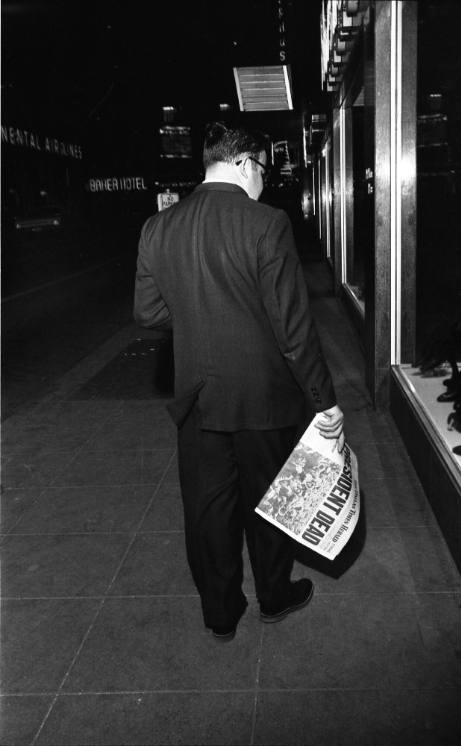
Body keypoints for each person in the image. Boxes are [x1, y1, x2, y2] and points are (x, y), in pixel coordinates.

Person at [134, 121, 344, 641]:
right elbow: (293, 329)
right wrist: (324, 402)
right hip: (264, 398)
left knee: (208, 510)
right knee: (273, 501)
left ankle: (221, 612)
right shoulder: (266, 223)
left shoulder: (157, 228)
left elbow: (147, 312)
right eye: (263, 172)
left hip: (198, 400)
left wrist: (198, 311)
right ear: (247, 162)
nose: (264, 183)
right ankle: (275, 595)